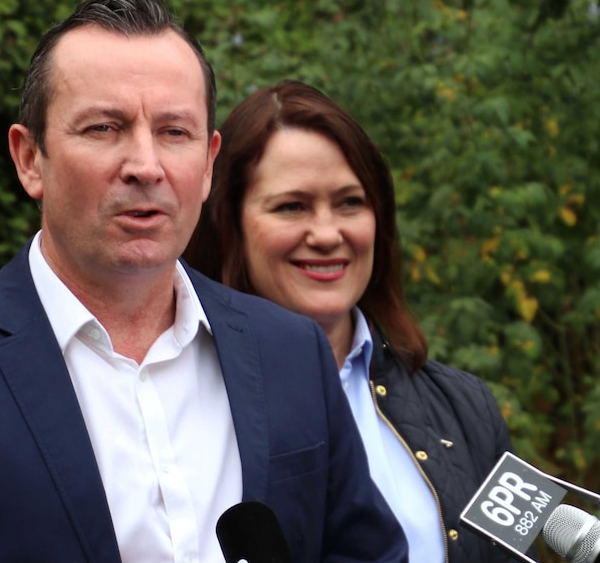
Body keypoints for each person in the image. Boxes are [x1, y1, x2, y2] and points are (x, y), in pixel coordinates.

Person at [0, 0, 408, 563]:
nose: (145, 166)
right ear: (29, 159)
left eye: (174, 132)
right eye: (103, 128)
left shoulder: (290, 352)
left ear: (207, 165)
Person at [184, 79, 531, 563]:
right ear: (228, 222)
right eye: (292, 206)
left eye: (350, 202)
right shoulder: (181, 399)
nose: (327, 233)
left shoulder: (466, 407)